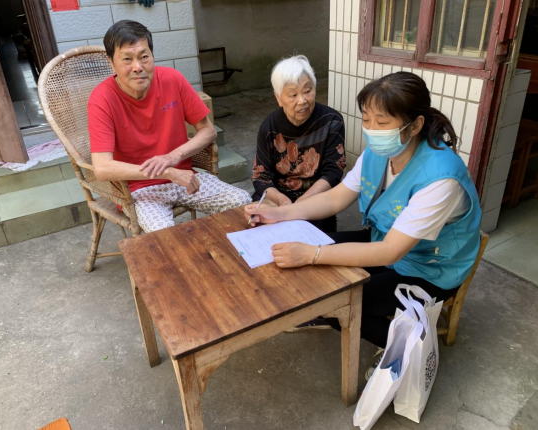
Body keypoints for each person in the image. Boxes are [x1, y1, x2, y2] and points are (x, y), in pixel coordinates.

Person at [244, 72, 482, 378]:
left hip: (430, 268)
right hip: (384, 241)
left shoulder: (441, 178)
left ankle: (406, 349)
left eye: (382, 123)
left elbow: (390, 252)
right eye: (366, 119)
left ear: (415, 125)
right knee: (314, 285)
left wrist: (312, 254)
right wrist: (281, 215)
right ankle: (380, 327)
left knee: (331, 303)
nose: (371, 130)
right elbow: (336, 198)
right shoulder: (379, 152)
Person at [88, 20, 251, 232]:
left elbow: (208, 131)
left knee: (242, 202)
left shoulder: (172, 79)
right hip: (139, 190)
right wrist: (167, 172)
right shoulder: (102, 99)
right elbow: (102, 168)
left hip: (185, 178)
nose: (138, 67)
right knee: (163, 234)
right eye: (127, 59)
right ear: (111, 62)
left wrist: (173, 157)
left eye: (144, 57)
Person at [252, 55, 346, 233]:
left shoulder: (332, 121)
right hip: (278, 196)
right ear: (279, 98)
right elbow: (261, 176)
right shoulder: (269, 126)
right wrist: (282, 201)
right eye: (293, 94)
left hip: (315, 196)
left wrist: (302, 203)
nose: (302, 100)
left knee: (312, 239)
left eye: (307, 91)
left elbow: (334, 171)